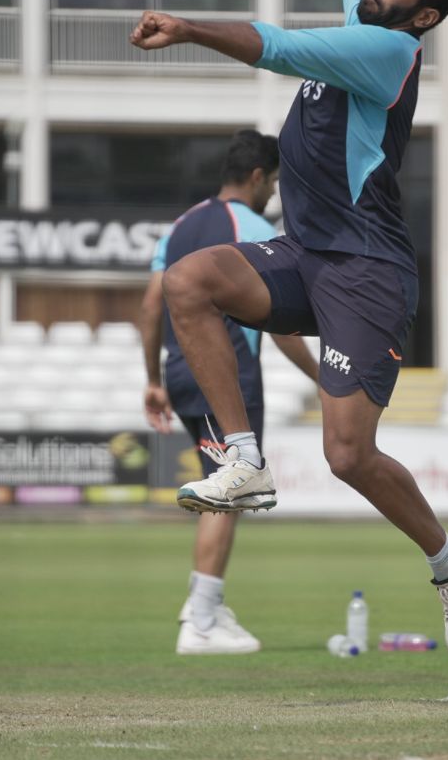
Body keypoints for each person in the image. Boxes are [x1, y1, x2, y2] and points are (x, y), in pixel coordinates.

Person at [129, 0, 448, 655]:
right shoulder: (369, 5)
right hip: (308, 253)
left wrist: (186, 26)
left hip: (367, 270)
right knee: (189, 281)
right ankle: (244, 456)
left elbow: (281, 48)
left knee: (347, 454)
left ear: (422, 14)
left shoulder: (388, 50)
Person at [137, 129, 320, 656]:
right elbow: (280, 319)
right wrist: (321, 378)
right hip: (226, 375)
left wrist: (152, 378)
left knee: (220, 483)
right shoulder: (255, 227)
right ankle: (200, 621)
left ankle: (205, 606)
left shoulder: (182, 224)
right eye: (275, 183)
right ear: (259, 176)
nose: (274, 194)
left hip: (179, 369)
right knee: (230, 490)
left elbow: (152, 305)